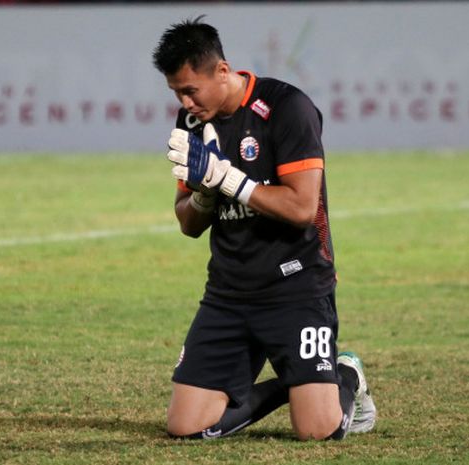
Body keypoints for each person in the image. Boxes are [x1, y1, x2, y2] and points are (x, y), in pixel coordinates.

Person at [152, 17, 377, 441]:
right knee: (185, 427)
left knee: (317, 430)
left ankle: (344, 374)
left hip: (296, 289)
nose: (185, 103)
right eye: (176, 93)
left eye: (190, 90)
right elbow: (187, 222)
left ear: (222, 71)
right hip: (228, 293)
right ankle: (296, 387)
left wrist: (229, 180)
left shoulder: (287, 108)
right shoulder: (194, 124)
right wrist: (204, 193)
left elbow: (302, 208)